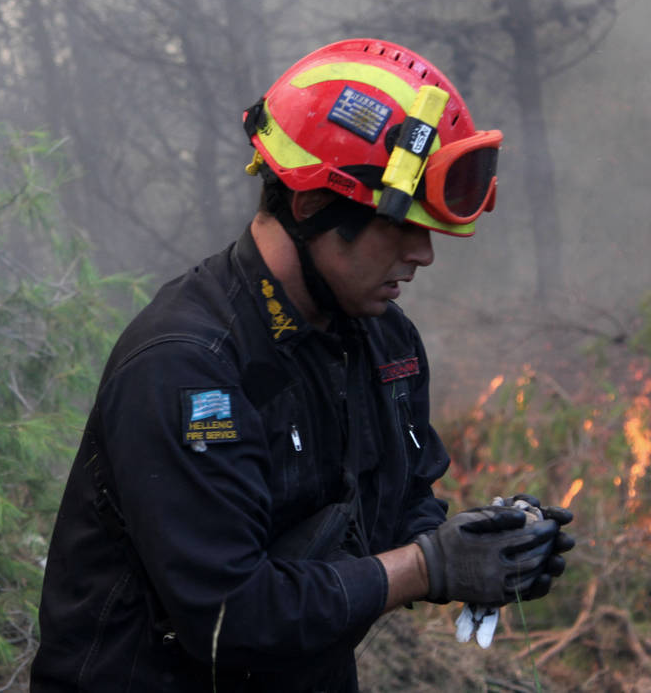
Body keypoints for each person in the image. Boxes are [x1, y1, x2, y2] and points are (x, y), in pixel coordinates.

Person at [29, 38, 574, 692]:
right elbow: (234, 616)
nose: (423, 255)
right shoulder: (186, 369)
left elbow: (399, 507)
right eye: (400, 226)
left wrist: (488, 547)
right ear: (314, 206)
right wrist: (428, 566)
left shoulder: (382, 338)